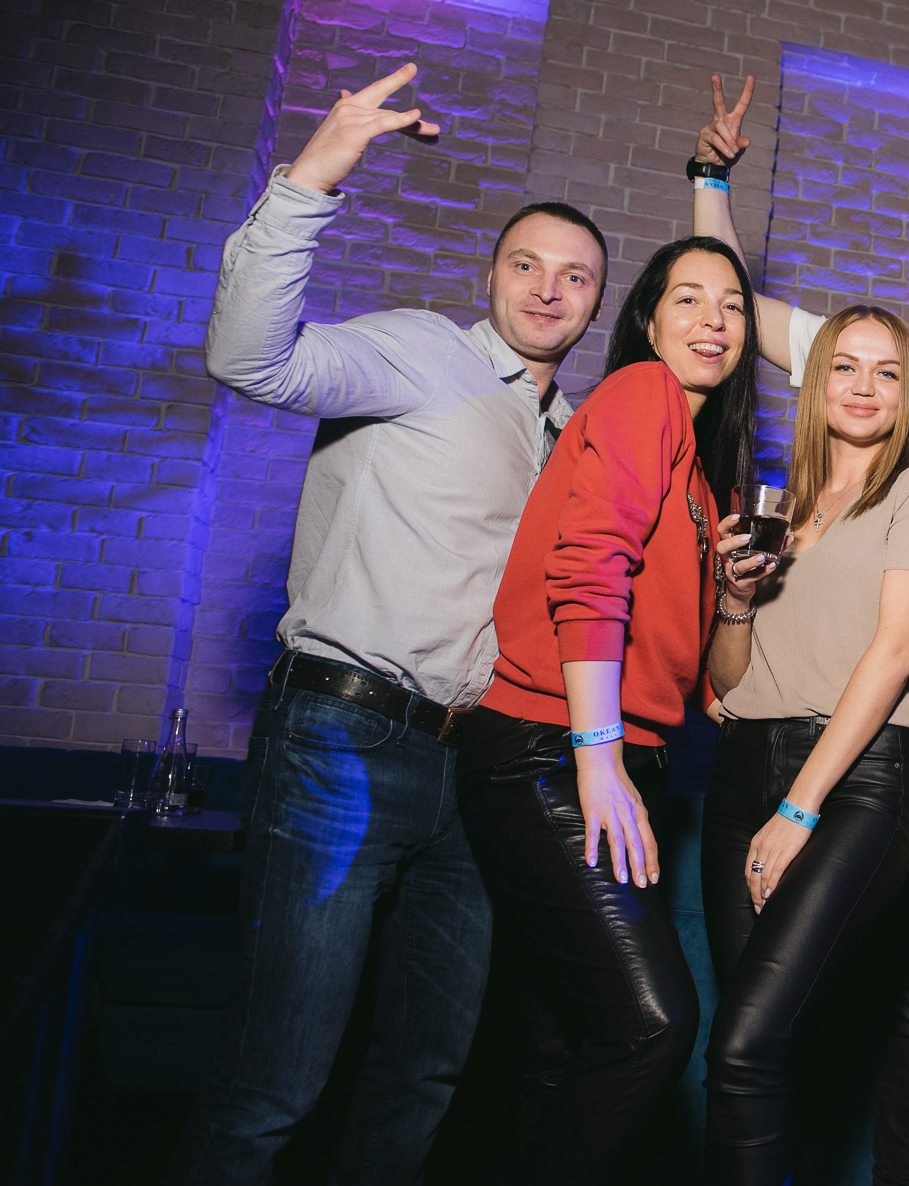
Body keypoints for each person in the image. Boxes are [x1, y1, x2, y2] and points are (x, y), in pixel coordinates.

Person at [171, 64, 604, 1184]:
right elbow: (247, 359)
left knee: (425, 1075)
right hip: (344, 741)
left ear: (597, 304)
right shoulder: (419, 350)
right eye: (527, 265)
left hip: (481, 770)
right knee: (276, 1079)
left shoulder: (572, 439)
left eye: (576, 277)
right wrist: (314, 176)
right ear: (489, 274)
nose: (549, 290)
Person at [692, 75, 909, 1183]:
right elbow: (732, 307)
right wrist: (710, 181)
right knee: (775, 1013)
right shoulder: (860, 361)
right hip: (812, 705)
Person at [455, 236, 766, 1182]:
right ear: (648, 322)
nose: (714, 320)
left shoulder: (706, 479)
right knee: (652, 1024)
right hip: (552, 748)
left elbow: (712, 691)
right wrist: (597, 757)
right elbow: (588, 572)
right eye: (689, 299)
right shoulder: (642, 393)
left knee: (562, 1050)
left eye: (732, 305)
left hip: (624, 759)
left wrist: (737, 597)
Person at [702, 307, 909, 1186]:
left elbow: (898, 652)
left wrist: (799, 807)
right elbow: (731, 681)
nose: (863, 386)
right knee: (757, 1048)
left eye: (887, 372)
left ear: (907, 393)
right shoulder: (782, 507)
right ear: (816, 384)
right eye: (845, 366)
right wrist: (734, 597)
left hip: (852, 785)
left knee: (745, 1044)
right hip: (740, 770)